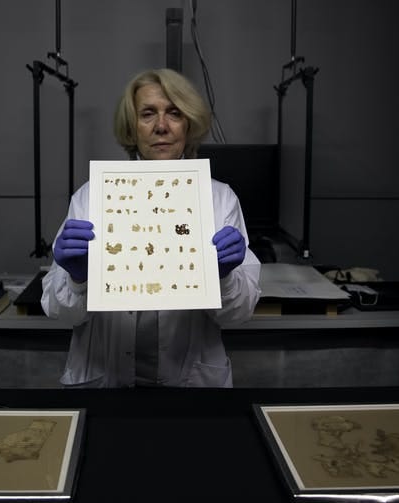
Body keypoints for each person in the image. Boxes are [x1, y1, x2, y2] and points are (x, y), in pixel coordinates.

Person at [41, 68, 261, 388]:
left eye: (174, 113)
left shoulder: (219, 199)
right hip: (107, 380)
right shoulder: (92, 197)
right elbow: (60, 313)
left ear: (189, 123)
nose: (161, 126)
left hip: (191, 383)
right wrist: (76, 278)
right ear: (132, 128)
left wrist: (225, 277)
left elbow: (238, 314)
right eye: (148, 114)